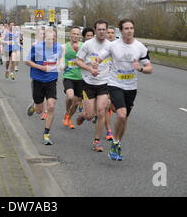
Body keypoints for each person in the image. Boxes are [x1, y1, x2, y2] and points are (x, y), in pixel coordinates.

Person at [92, 18, 153, 161]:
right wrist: (94, 65)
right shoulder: (113, 46)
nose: (129, 31)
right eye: (126, 28)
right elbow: (98, 59)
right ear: (121, 30)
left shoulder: (140, 47)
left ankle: (117, 143)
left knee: (124, 118)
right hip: (115, 84)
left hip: (131, 87)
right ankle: (115, 141)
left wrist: (142, 68)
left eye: (131, 28)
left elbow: (150, 68)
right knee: (121, 114)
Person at [75, 20, 112, 152]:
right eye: (99, 29)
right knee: (90, 115)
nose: (102, 32)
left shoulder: (111, 46)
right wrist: (90, 69)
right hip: (88, 83)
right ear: (95, 31)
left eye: (104, 29)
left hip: (104, 83)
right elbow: (78, 61)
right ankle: (83, 115)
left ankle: (97, 141)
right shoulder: (88, 45)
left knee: (102, 111)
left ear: (107, 30)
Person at [25, 27, 63, 145]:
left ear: (55, 37)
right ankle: (34, 105)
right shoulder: (37, 48)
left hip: (51, 79)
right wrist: (41, 67)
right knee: (39, 110)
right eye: (48, 37)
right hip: (38, 79)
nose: (50, 40)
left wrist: (61, 65)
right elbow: (27, 61)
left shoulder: (59, 48)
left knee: (51, 106)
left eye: (52, 37)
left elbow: (60, 61)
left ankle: (46, 134)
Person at [61, 27, 84, 129]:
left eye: (77, 34)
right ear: (70, 35)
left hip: (80, 78)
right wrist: (64, 65)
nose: (75, 36)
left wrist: (79, 51)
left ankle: (68, 117)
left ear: (80, 36)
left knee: (76, 103)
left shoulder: (84, 46)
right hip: (68, 76)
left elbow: (88, 60)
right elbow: (60, 62)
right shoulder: (64, 47)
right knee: (70, 97)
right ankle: (67, 112)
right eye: (73, 34)